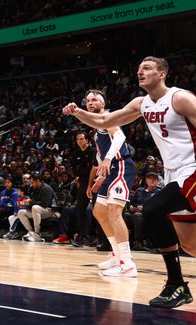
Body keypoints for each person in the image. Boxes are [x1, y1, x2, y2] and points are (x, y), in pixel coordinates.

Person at [63, 56, 196, 307]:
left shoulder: (181, 99)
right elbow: (104, 121)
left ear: (162, 73)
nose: (140, 72)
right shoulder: (141, 103)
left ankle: (176, 285)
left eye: (146, 68)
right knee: (189, 244)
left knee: (154, 210)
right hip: (174, 173)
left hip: (193, 169)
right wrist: (77, 112)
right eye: (138, 69)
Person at [77, 90, 138, 277]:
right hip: (109, 170)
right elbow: (99, 154)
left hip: (121, 166)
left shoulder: (107, 116)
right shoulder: (96, 127)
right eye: (87, 101)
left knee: (113, 211)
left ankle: (127, 263)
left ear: (102, 104)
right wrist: (101, 175)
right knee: (98, 211)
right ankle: (116, 255)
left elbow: (120, 137)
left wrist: (108, 159)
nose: (90, 103)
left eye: (94, 100)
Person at [68, 130, 97, 246]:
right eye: (78, 139)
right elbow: (75, 170)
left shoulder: (93, 151)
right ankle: (82, 236)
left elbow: (93, 168)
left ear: (87, 140)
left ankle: (98, 236)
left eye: (82, 139)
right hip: (83, 183)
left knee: (96, 210)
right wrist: (82, 172)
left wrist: (83, 170)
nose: (80, 141)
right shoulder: (75, 154)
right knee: (80, 209)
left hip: (94, 182)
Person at [124, 172, 162, 250]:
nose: (151, 180)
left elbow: (158, 206)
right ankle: (125, 241)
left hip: (149, 215)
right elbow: (132, 203)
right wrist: (132, 207)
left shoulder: (159, 192)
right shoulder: (139, 190)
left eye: (154, 179)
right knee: (125, 215)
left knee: (137, 215)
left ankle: (139, 242)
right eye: (149, 178)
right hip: (136, 212)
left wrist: (144, 209)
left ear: (158, 181)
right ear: (146, 180)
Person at [16, 173, 56, 242]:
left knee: (35, 207)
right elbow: (33, 201)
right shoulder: (34, 188)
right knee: (21, 212)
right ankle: (31, 232)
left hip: (51, 211)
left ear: (37, 181)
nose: (31, 184)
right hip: (38, 211)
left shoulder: (46, 188)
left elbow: (45, 204)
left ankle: (37, 233)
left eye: (32, 182)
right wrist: (27, 203)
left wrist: (31, 202)